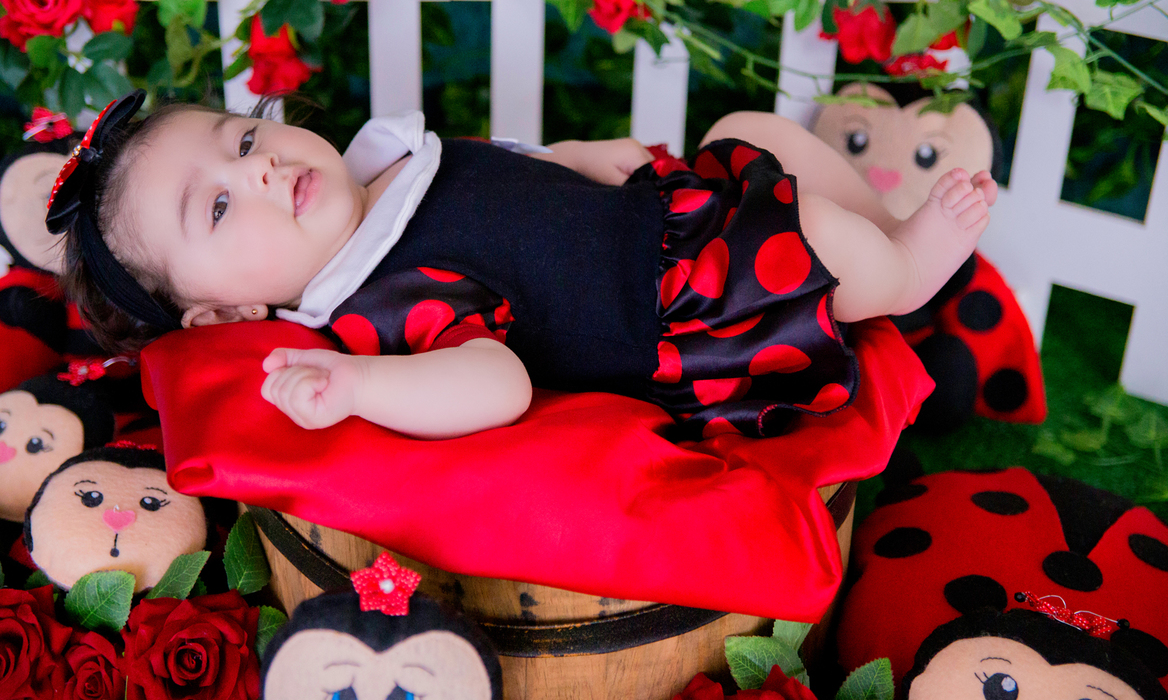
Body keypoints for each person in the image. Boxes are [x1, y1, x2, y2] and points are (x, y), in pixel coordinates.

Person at [49, 91, 996, 440]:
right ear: (224, 315)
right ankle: (904, 276)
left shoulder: (386, 169)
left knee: (750, 130)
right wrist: (362, 386)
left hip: (658, 215)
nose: (257, 167)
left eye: (244, 136)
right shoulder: (374, 302)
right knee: (808, 235)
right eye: (218, 207)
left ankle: (889, 238)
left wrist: (575, 155)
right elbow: (494, 382)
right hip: (674, 302)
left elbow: (505, 172)